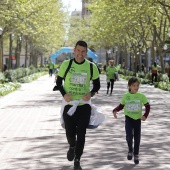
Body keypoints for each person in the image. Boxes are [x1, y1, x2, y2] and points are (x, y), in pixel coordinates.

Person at [56, 40, 100, 170]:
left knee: (81, 133)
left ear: (86, 52)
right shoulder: (66, 64)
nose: (80, 54)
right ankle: (72, 146)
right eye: (78, 51)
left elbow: (97, 85)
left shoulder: (92, 67)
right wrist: (64, 94)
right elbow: (58, 82)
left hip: (84, 105)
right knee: (70, 132)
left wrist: (91, 94)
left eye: (83, 51)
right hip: (69, 105)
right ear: (74, 51)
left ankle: (77, 159)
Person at [112, 77, 150, 164]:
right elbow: (121, 106)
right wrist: (115, 110)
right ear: (129, 86)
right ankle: (130, 149)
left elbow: (147, 105)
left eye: (137, 86)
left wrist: (145, 115)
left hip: (137, 120)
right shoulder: (126, 96)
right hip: (128, 119)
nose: (136, 87)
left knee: (137, 138)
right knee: (129, 136)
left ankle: (136, 154)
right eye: (134, 85)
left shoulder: (141, 96)